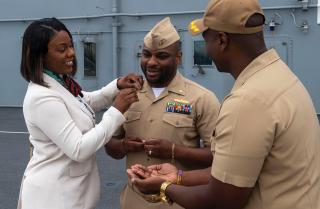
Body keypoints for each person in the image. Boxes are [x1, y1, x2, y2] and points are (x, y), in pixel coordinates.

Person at [127, 1, 320, 209]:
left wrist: (164, 186)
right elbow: (230, 172)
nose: (207, 50)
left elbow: (221, 200)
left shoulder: (248, 101)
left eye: (205, 40)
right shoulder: (280, 77)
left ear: (222, 40)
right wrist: (178, 177)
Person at [17, 17, 143, 209]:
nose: (71, 53)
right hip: (53, 198)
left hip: (71, 193)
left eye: (70, 46)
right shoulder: (41, 97)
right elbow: (79, 149)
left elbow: (84, 102)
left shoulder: (59, 82)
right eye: (62, 49)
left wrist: (117, 85)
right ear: (40, 55)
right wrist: (117, 110)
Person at [105, 17, 220, 209]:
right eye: (146, 54)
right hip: (134, 202)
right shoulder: (127, 95)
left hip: (177, 203)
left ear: (178, 57)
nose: (151, 62)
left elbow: (219, 157)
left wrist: (174, 151)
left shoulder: (201, 99)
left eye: (161, 56)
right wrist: (123, 146)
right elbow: (110, 146)